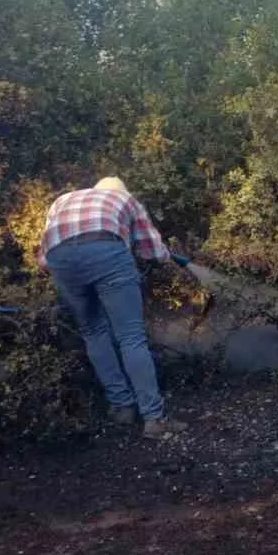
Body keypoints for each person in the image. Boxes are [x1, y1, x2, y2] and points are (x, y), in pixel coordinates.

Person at [38, 176, 183, 438]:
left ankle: (122, 407)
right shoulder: (125, 199)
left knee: (93, 332)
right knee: (130, 337)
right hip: (106, 252)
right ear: (121, 190)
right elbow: (153, 252)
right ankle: (154, 419)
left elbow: (43, 261)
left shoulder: (61, 201)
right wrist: (164, 255)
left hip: (60, 260)